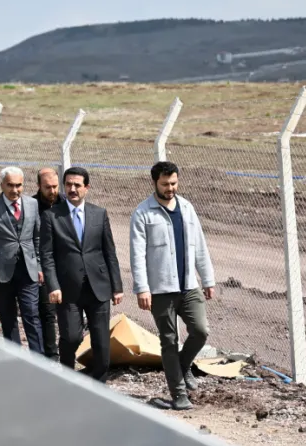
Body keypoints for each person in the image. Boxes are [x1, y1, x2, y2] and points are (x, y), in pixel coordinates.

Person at [129, 160, 216, 411]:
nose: (171, 188)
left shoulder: (187, 208)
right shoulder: (143, 213)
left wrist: (207, 279)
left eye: (174, 183)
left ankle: (183, 364)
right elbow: (137, 255)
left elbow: (200, 246)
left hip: (189, 286)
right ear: (155, 182)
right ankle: (179, 394)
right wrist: (142, 288)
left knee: (200, 331)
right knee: (168, 340)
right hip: (160, 290)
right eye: (165, 184)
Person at [40, 166, 123, 383]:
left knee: (101, 340)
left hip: (99, 286)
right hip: (67, 289)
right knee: (71, 336)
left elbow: (109, 252)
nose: (72, 189)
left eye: (77, 185)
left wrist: (117, 286)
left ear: (86, 187)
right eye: (68, 184)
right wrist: (53, 285)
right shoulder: (51, 216)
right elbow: (46, 255)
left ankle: (99, 384)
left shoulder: (99, 213)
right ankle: (67, 377)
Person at [0, 166, 44, 353]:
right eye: (10, 185)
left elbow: (37, 237)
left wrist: (38, 265)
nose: (15, 190)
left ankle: (39, 361)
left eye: (19, 185)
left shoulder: (32, 204)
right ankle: (15, 358)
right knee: (8, 317)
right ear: (2, 185)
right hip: (1, 272)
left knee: (32, 315)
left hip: (27, 270)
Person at [33, 167, 65, 359]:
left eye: (55, 187)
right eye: (47, 187)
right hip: (44, 267)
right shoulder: (32, 205)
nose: (52, 191)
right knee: (47, 312)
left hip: (66, 265)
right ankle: (51, 355)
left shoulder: (65, 203)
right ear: (39, 186)